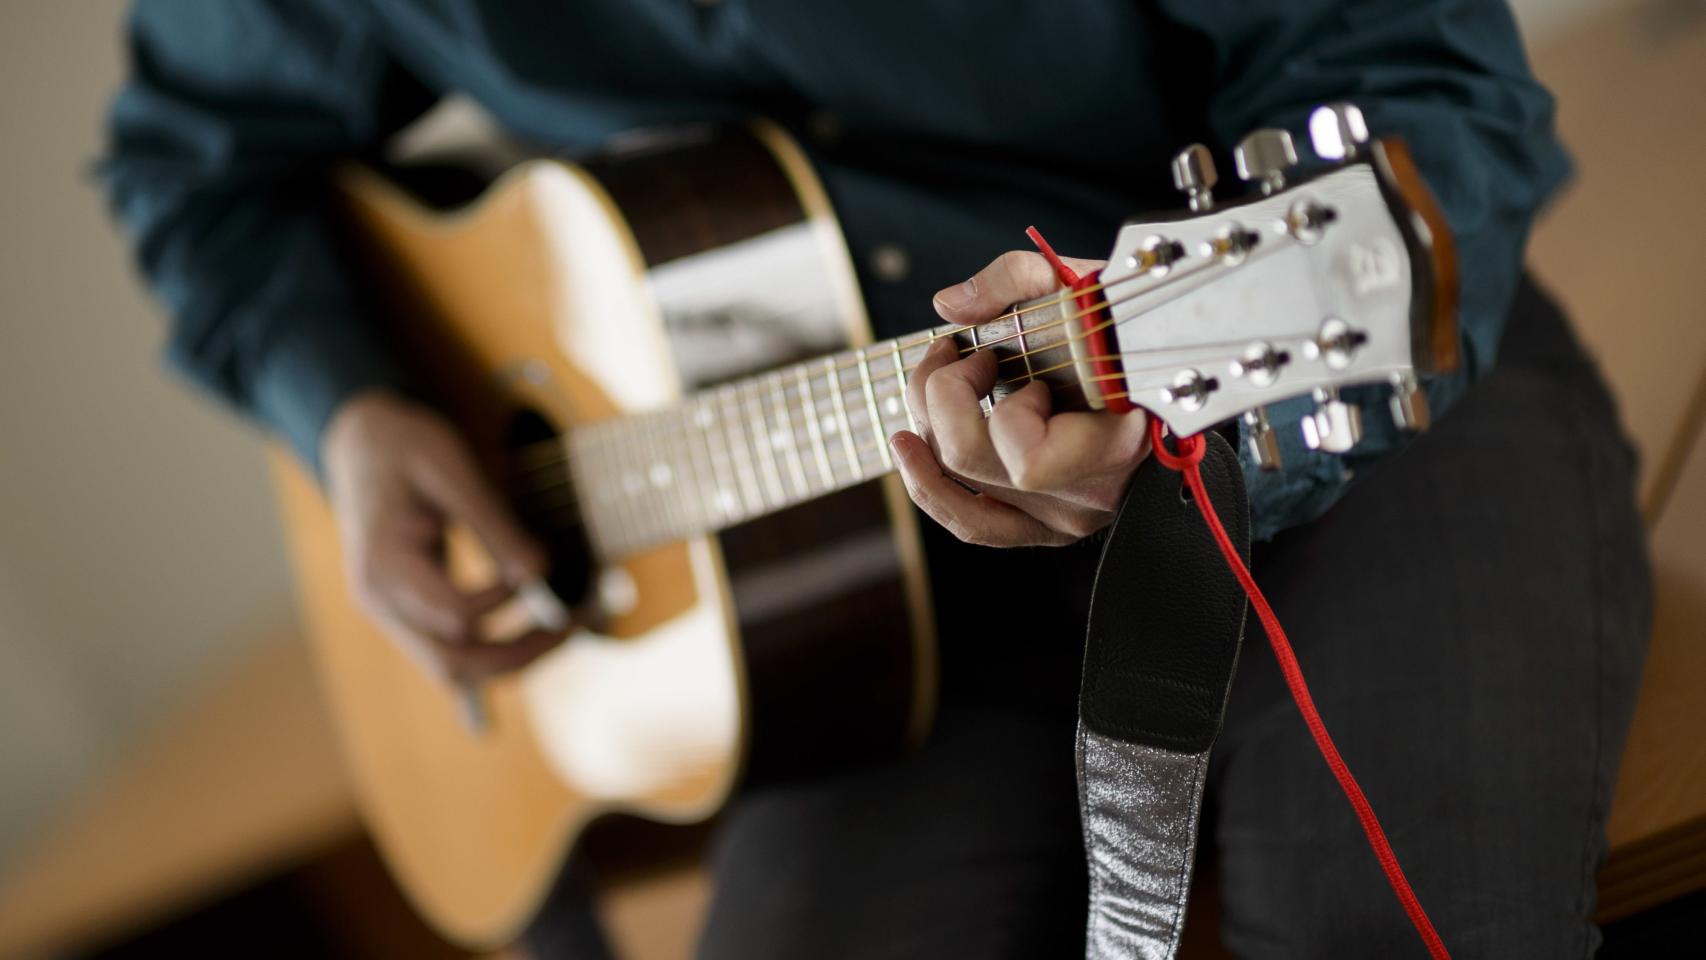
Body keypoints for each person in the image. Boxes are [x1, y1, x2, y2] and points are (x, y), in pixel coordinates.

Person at [102, 1, 1649, 956]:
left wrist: (1168, 402)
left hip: (1317, 391)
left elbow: (1405, 79)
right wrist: (353, 414)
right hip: (839, 595)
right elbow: (194, 168)